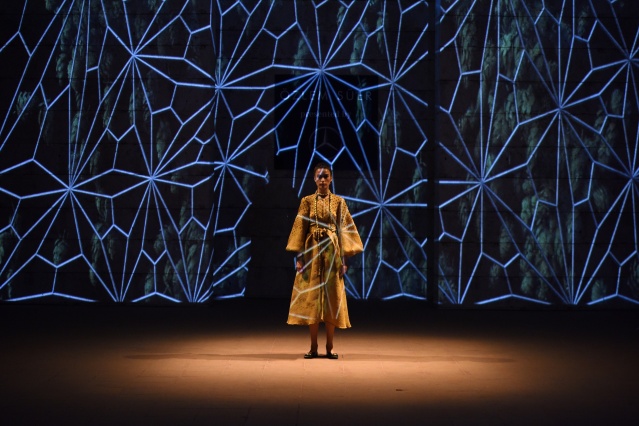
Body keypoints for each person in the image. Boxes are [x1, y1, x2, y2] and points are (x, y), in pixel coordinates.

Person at [285, 162, 364, 359]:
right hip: (312, 253)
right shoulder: (306, 201)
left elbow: (344, 230)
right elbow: (300, 229)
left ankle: (330, 346)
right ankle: (313, 346)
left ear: (331, 178)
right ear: (314, 179)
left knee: (332, 299)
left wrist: (344, 260)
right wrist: (299, 258)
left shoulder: (339, 202)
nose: (322, 180)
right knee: (312, 299)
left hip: (332, 253)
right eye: (319, 176)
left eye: (325, 176)